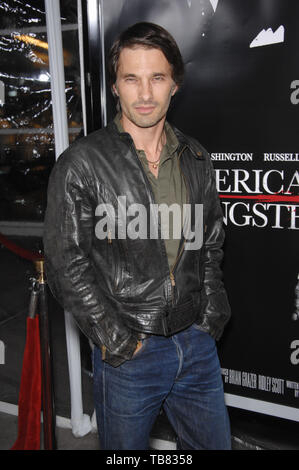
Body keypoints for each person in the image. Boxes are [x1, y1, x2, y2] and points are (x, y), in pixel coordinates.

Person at [43, 22, 231, 450]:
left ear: (175, 85)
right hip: (130, 352)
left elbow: (211, 244)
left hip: (197, 345)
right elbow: (64, 263)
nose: (145, 94)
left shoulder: (196, 158)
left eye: (157, 78)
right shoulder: (82, 164)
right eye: (132, 78)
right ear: (114, 86)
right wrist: (119, 341)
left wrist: (210, 315)